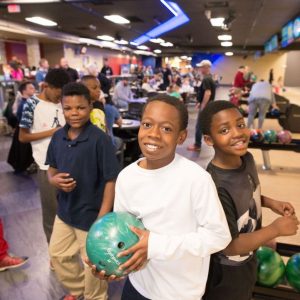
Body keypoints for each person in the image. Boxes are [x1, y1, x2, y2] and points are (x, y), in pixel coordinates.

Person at [91, 94, 231, 300]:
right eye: (147, 124)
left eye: (166, 129)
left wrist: (155, 245)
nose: (154, 134)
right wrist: (112, 264)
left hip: (179, 293)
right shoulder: (126, 177)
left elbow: (219, 236)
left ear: (181, 137)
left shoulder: (197, 179)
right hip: (137, 286)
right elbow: (123, 231)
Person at [199, 100, 299, 300]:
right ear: (209, 140)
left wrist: (270, 202)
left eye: (240, 124)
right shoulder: (215, 186)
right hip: (226, 272)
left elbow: (247, 193)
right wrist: (275, 229)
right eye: (225, 130)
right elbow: (230, 246)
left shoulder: (247, 159)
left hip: (248, 259)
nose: (237, 133)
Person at [46, 82, 120, 300]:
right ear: (62, 109)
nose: (74, 113)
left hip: (91, 216)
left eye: (80, 107)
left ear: (90, 106)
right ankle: (80, 291)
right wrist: (53, 180)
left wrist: (102, 217)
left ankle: (95, 296)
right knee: (58, 254)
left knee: (93, 265)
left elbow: (110, 180)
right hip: (66, 211)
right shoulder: (58, 137)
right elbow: (51, 169)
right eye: (68, 108)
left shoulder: (100, 140)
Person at [19, 69, 70, 244]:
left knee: (70, 209)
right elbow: (23, 136)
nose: (59, 98)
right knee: (51, 214)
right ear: (46, 86)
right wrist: (52, 132)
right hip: (46, 167)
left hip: (70, 163)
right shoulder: (32, 104)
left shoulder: (63, 102)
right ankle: (54, 254)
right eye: (58, 94)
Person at [188, 59, 216, 152]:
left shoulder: (206, 79)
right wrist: (199, 102)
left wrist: (203, 106)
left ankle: (197, 145)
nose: (200, 68)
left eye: (202, 67)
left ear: (206, 67)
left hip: (207, 105)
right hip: (209, 104)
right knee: (204, 125)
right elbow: (204, 92)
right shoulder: (209, 77)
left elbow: (208, 93)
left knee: (199, 125)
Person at [7, 81, 36, 173]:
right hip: (24, 130)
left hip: (24, 129)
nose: (34, 89)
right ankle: (25, 167)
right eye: (31, 88)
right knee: (23, 151)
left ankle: (25, 166)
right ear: (24, 91)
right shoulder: (24, 104)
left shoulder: (28, 102)